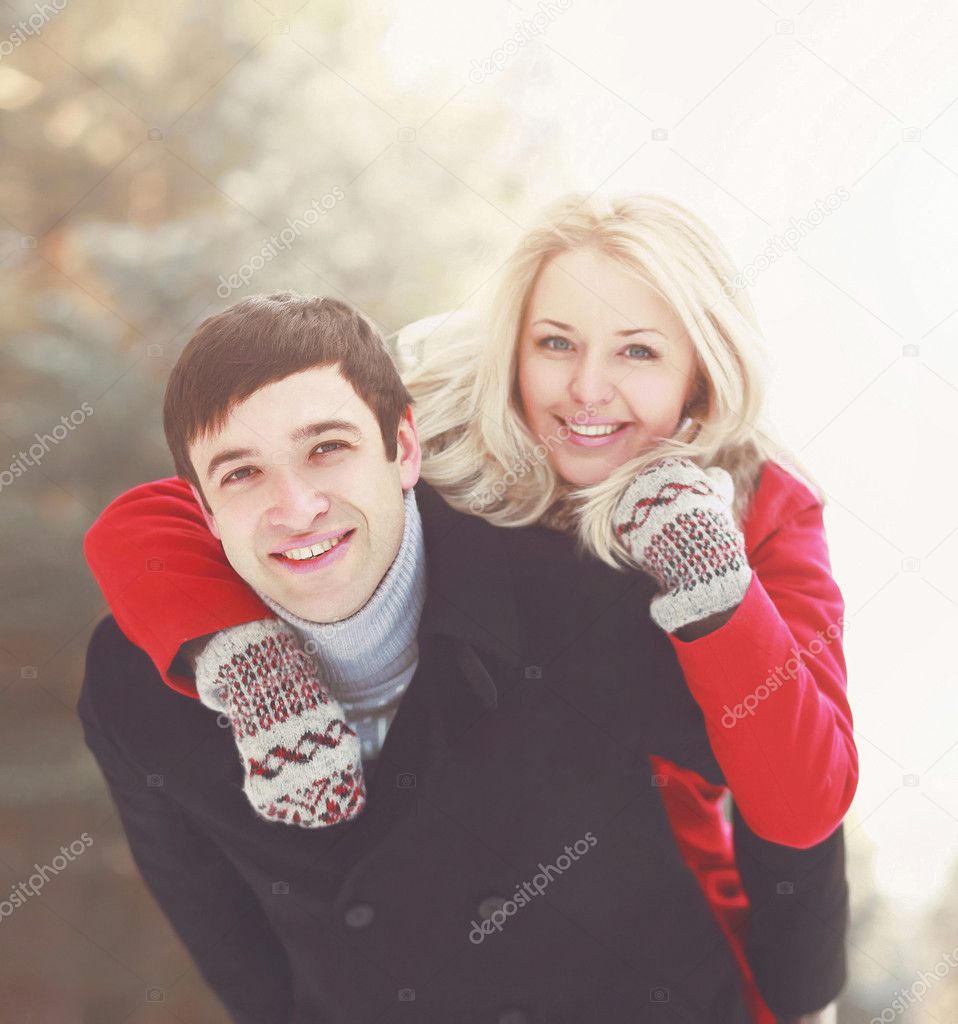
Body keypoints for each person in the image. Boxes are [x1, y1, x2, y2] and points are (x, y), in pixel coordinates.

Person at [80, 200, 851, 1023]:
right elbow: (158, 518)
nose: (588, 389)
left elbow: (800, 799)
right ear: (511, 343)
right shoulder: (445, 419)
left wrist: (711, 582)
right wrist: (250, 659)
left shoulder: (762, 504)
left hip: (655, 860)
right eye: (555, 343)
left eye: (638, 352)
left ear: (700, 370)